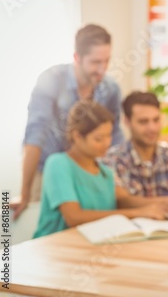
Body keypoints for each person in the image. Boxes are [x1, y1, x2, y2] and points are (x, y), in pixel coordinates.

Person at [12, 24, 124, 219]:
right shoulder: (52, 80)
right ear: (77, 58)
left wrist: (115, 181)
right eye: (95, 62)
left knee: (84, 225)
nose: (102, 69)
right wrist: (25, 193)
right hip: (47, 170)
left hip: (86, 172)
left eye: (106, 61)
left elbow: (115, 139)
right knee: (44, 223)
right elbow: (35, 135)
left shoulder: (110, 89)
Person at [33, 100, 168, 238]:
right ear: (77, 136)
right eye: (98, 139)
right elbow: (74, 217)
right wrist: (136, 213)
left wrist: (166, 201)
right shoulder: (58, 164)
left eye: (109, 135)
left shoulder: (106, 172)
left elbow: (126, 199)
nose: (107, 143)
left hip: (92, 246)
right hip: (53, 247)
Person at [103, 91, 168, 199]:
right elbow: (122, 201)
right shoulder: (113, 160)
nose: (152, 128)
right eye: (143, 122)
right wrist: (166, 203)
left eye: (156, 120)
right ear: (127, 122)